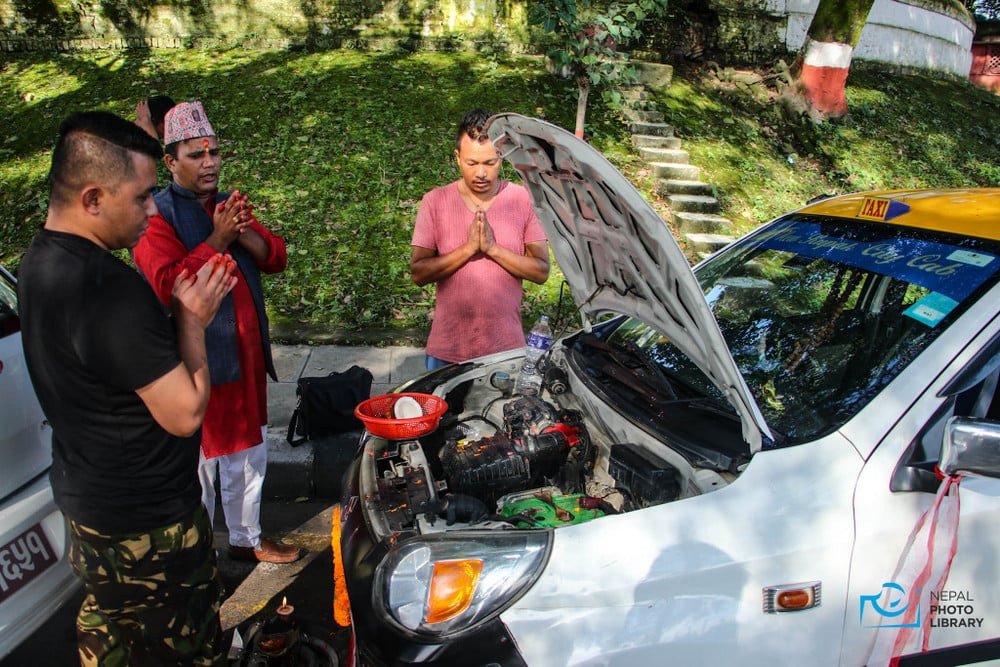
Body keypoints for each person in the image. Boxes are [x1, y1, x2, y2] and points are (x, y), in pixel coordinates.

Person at [18, 111, 236, 665]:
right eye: (140, 198)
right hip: (148, 525)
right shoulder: (107, 291)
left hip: (89, 504)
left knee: (112, 640)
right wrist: (191, 322)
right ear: (92, 198)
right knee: (181, 650)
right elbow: (185, 414)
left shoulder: (38, 262)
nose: (150, 210)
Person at [133, 101, 302, 564]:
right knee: (205, 463)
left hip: (244, 352)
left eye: (214, 152)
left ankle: (247, 538)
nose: (209, 162)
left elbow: (277, 257)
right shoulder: (157, 214)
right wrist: (219, 240)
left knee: (249, 452)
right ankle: (199, 551)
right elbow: (169, 285)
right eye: (195, 154)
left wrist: (243, 233)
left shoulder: (226, 206)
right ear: (170, 162)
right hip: (199, 360)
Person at [411, 108, 550, 369]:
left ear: (502, 156)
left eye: (490, 162)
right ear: (457, 158)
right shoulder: (435, 202)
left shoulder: (522, 200)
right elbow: (419, 273)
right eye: (472, 163)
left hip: (505, 352)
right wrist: (468, 249)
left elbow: (541, 271)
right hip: (446, 351)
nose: (481, 174)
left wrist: (492, 248)